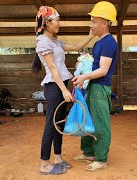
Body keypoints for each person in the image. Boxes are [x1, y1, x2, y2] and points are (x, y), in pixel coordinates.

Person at [32, 5, 95, 175]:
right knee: (50, 125)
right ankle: (44, 164)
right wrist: (64, 91)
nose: (59, 23)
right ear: (47, 22)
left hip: (61, 85)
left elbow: (75, 47)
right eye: (57, 20)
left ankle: (58, 158)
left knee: (59, 123)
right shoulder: (42, 41)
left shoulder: (54, 41)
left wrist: (91, 36)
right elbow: (52, 68)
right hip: (54, 87)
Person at [71, 1, 118, 172]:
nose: (91, 24)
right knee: (87, 120)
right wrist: (84, 64)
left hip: (100, 88)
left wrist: (84, 76)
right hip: (92, 86)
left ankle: (101, 159)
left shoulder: (108, 43)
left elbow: (104, 69)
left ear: (105, 22)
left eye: (94, 21)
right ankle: (89, 153)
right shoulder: (99, 43)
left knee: (100, 124)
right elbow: (95, 65)